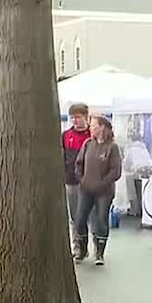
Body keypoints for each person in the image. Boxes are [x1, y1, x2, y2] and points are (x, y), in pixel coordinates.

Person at [73, 115, 123, 265]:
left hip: (104, 192)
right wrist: (81, 179)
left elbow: (116, 171)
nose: (91, 128)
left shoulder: (112, 147)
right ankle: (82, 250)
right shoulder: (88, 144)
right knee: (80, 220)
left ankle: (99, 253)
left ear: (102, 127)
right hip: (86, 189)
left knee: (101, 220)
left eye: (94, 126)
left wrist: (102, 184)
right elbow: (79, 163)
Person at [62, 103, 94, 257]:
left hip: (91, 182)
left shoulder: (92, 136)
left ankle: (96, 247)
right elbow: (62, 158)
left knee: (92, 215)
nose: (75, 120)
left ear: (86, 117)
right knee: (75, 216)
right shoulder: (66, 135)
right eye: (72, 117)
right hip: (71, 181)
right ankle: (79, 247)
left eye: (78, 117)